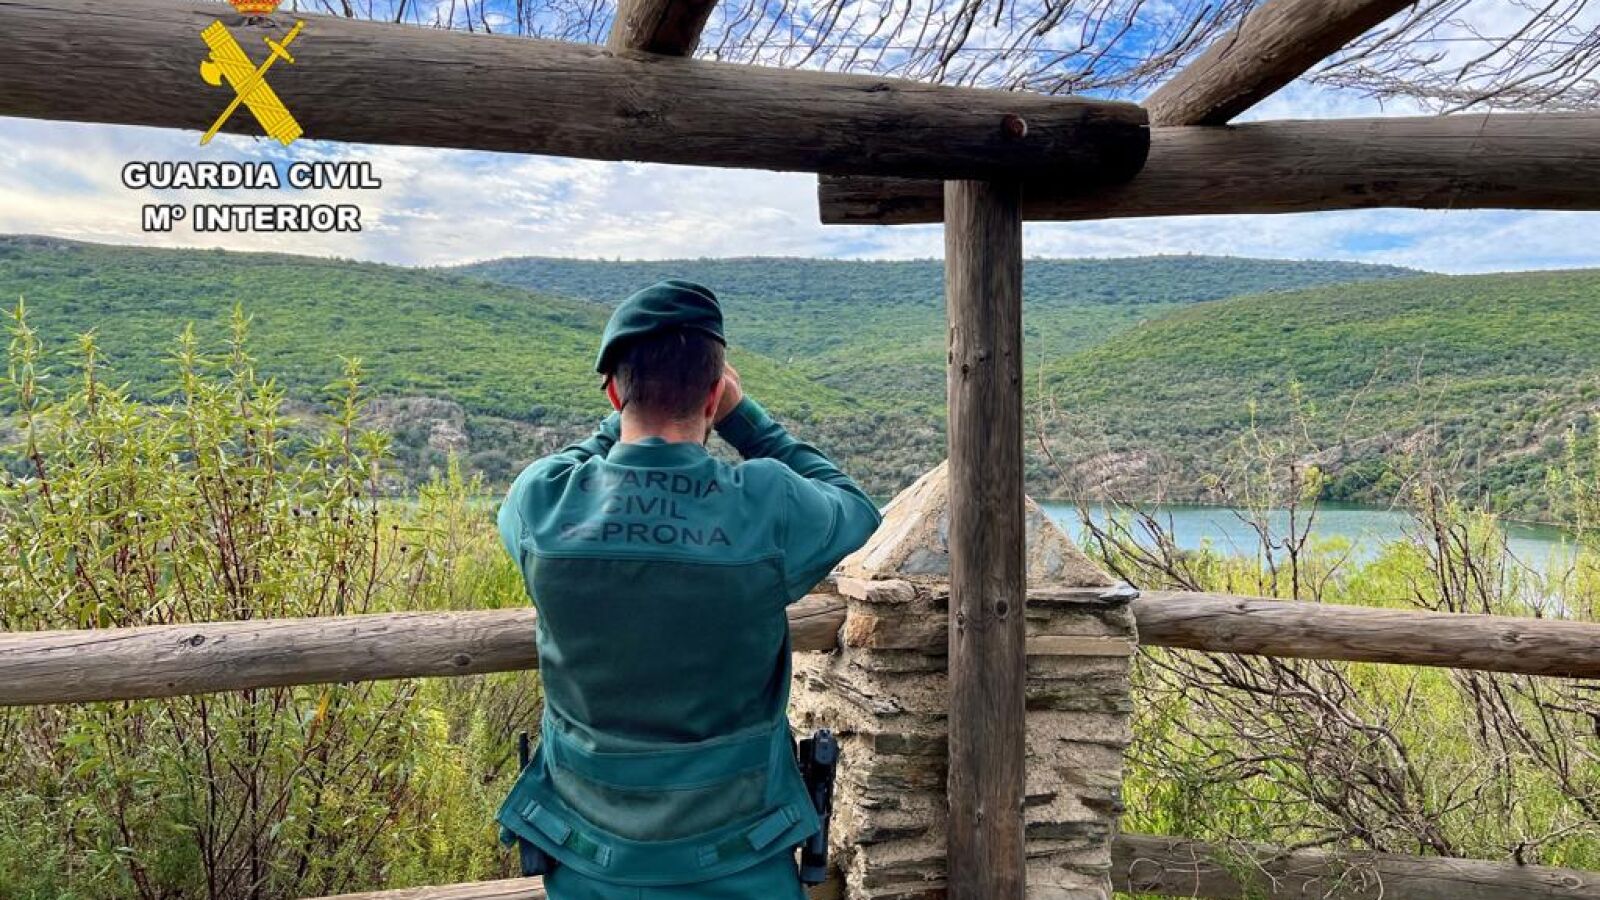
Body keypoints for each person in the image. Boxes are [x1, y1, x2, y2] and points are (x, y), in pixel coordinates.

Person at [495, 279, 882, 899]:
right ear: (713, 394)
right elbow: (856, 507)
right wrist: (744, 419)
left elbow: (566, 465)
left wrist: (622, 419)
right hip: (739, 854)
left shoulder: (542, 503)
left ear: (614, 391)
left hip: (586, 854)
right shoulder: (767, 502)